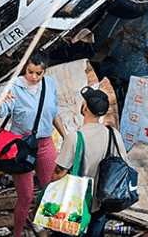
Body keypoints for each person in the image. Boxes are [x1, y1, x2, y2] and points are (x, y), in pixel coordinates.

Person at [0, 50, 69, 237]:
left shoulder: (49, 84)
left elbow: (54, 113)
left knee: (50, 190)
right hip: (21, 146)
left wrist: (66, 137)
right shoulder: (14, 87)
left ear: (45, 71)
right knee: (25, 197)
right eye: (30, 72)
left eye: (38, 73)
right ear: (24, 68)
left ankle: (37, 218)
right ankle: (17, 233)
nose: (33, 77)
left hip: (45, 143)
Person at [52, 87, 125, 237]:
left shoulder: (75, 138)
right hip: (100, 204)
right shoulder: (113, 135)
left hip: (75, 207)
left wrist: (49, 196)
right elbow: (123, 163)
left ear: (85, 107)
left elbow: (59, 174)